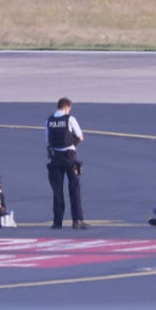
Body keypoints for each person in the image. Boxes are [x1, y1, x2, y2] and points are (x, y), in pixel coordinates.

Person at [46, 97, 89, 229]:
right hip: (69, 157)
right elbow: (80, 136)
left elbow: (48, 139)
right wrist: (72, 144)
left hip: (55, 158)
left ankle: (57, 222)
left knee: (57, 191)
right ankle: (77, 220)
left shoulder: (49, 120)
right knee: (74, 189)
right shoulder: (70, 119)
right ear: (66, 106)